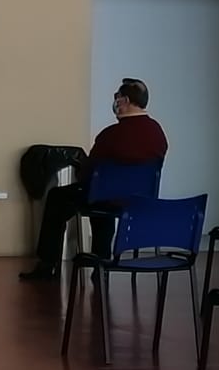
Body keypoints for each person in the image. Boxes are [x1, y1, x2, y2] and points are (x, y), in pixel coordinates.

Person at [20, 78, 168, 280]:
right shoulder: (157, 133)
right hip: (141, 198)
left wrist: (84, 177)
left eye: (117, 97)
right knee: (105, 196)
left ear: (124, 100)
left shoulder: (110, 134)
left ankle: (47, 265)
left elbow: (88, 172)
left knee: (59, 197)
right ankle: (101, 263)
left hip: (106, 196)